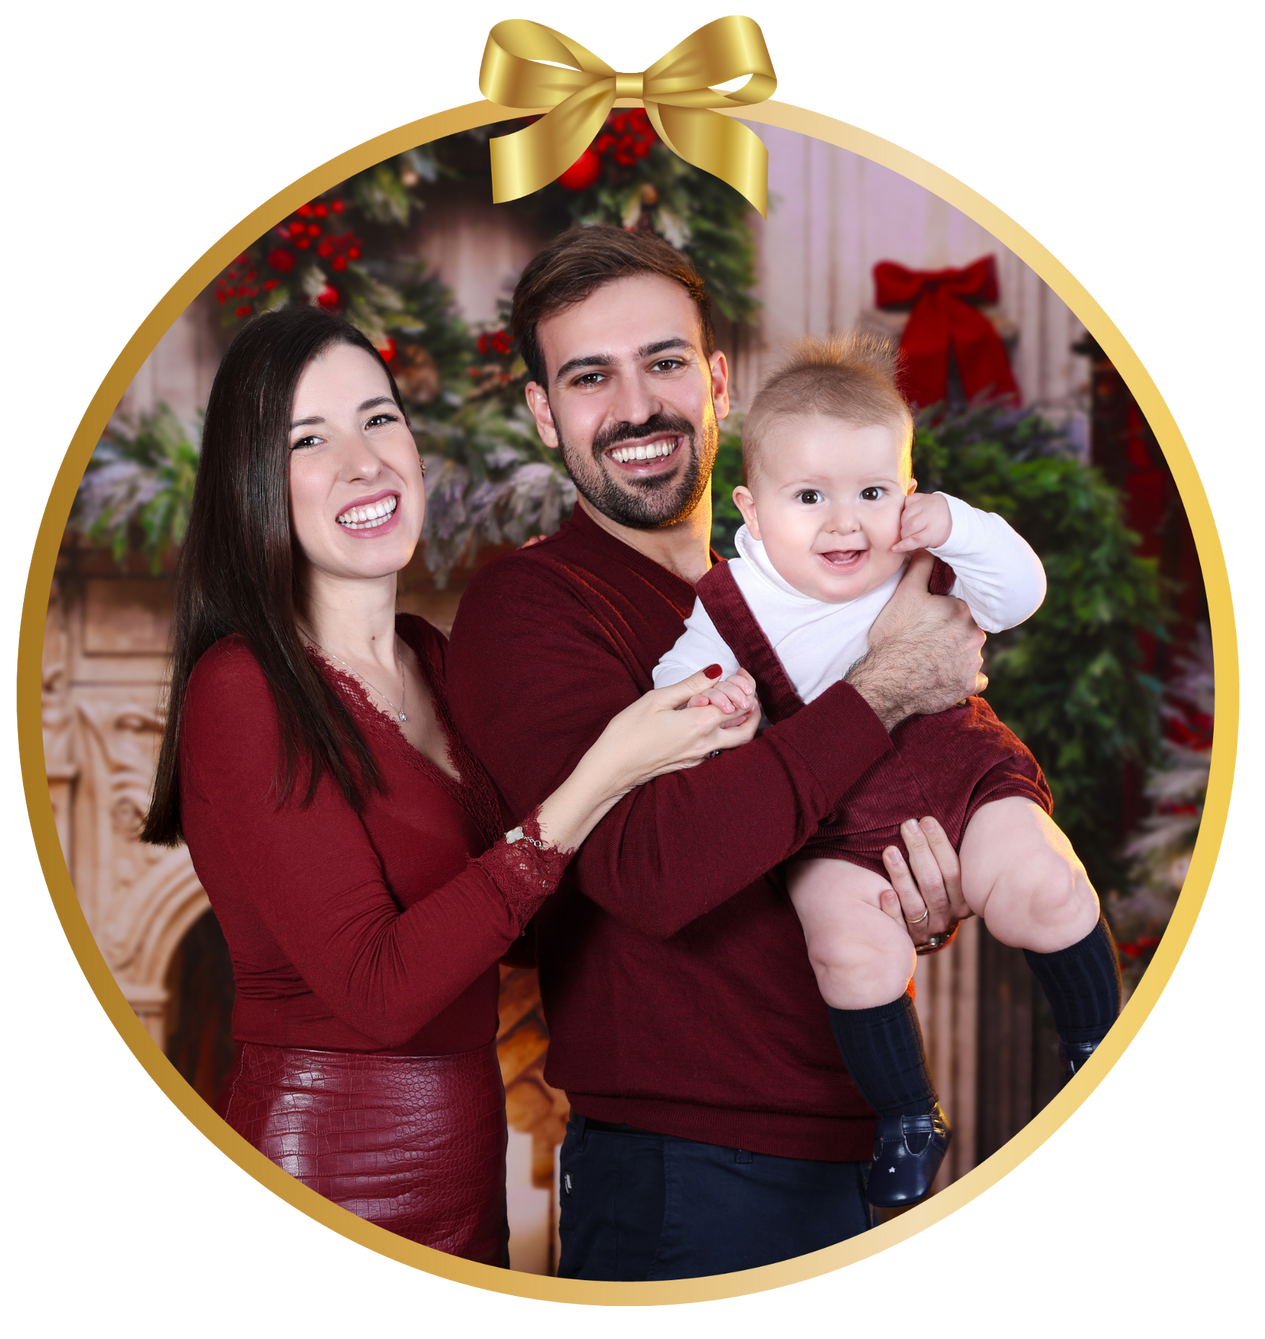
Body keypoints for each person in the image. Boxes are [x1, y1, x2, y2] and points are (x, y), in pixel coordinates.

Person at [139, 304, 759, 1266]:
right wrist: (601, 774)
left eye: (379, 418)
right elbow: (382, 990)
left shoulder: (436, 657)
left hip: (468, 1164)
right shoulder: (242, 686)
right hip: (324, 1167)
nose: (363, 461)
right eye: (310, 439)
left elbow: (515, 923)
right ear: (254, 479)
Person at [444, 225, 991, 1281]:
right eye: (588, 376)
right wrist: (880, 689)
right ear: (541, 412)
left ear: (718, 383)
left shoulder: (805, 588)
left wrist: (931, 872)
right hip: (685, 1179)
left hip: (861, 1144)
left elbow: (938, 745)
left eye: (662, 362)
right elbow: (649, 869)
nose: (636, 405)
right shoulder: (531, 608)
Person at [655, 334, 1123, 1209]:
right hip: (835, 825)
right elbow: (669, 689)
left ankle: (1098, 1039)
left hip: (963, 776)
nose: (845, 522)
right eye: (809, 497)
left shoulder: (920, 556)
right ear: (750, 513)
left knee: (1046, 890)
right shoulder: (730, 604)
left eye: (872, 492)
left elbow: (1021, 595)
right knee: (847, 950)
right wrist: (711, 709)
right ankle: (909, 1115)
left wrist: (960, 526)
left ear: (906, 494)